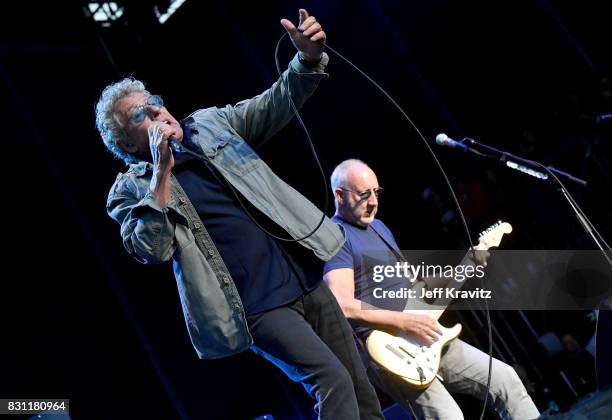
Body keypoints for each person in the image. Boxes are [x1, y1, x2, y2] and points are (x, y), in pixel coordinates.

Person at [96, 10, 383, 419]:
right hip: (257, 306)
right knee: (331, 380)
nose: (158, 112)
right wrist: (161, 170)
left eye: (154, 103)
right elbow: (151, 249)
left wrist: (305, 61)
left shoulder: (209, 125)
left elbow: (273, 104)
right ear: (126, 141)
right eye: (141, 114)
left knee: (360, 387)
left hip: (301, 271)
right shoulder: (129, 190)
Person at [323, 159, 541, 419]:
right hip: (391, 351)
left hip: (427, 333)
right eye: (363, 194)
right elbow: (342, 303)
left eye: (376, 193)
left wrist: (466, 263)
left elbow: (414, 283)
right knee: (448, 416)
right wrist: (404, 322)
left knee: (506, 380)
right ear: (340, 195)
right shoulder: (334, 237)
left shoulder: (378, 227)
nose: (373, 202)